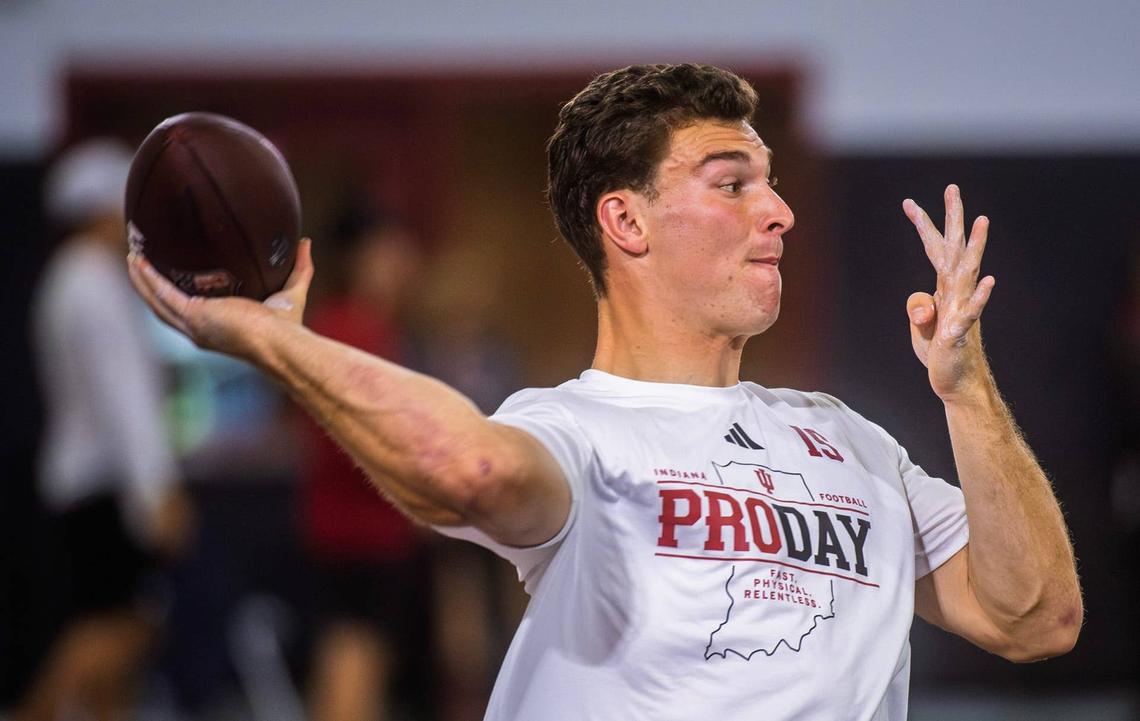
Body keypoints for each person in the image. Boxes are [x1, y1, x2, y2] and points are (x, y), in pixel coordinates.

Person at [127, 64, 1082, 720]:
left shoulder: (853, 442)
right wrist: (270, 339)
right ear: (625, 219)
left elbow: (1035, 618)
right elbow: (461, 464)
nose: (779, 210)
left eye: (774, 183)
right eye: (733, 182)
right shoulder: (573, 428)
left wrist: (966, 393)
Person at [22, 139, 192, 721]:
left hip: (89, 481)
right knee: (119, 627)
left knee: (116, 632)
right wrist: (156, 492)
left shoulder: (70, 280)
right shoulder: (90, 285)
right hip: (102, 484)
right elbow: (125, 399)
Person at [297, 207, 433, 721]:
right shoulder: (351, 329)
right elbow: (364, 437)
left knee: (350, 654)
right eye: (389, 252)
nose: (402, 264)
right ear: (360, 260)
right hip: (362, 528)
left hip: (357, 524)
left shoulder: (368, 327)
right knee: (357, 655)